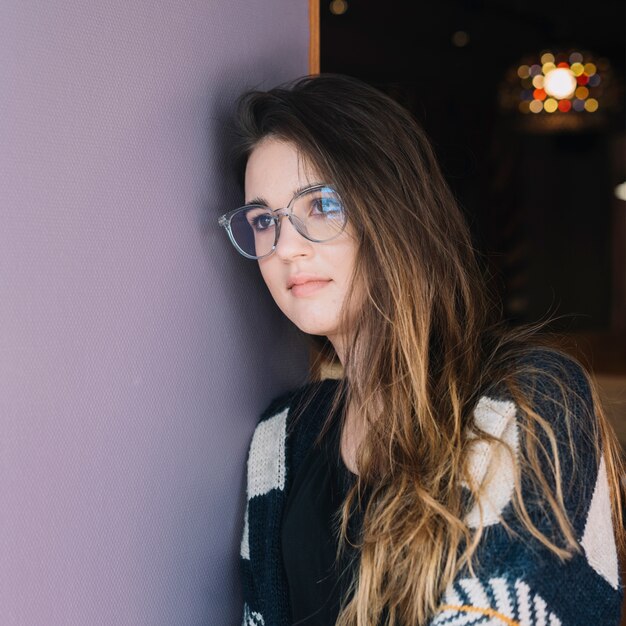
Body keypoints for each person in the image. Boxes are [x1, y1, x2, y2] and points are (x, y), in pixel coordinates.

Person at [218, 74, 625, 626]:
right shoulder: (279, 443)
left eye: (321, 205)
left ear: (394, 212)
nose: (286, 247)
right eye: (264, 221)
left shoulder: (531, 400)